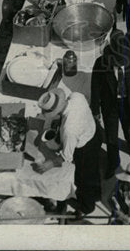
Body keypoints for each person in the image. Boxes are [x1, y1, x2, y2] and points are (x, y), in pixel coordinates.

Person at [90, 29, 130, 178]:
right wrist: (95, 110)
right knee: (111, 136)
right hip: (110, 105)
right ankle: (113, 163)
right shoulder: (101, 63)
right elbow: (95, 87)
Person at [35, 88, 101, 217]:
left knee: (84, 178)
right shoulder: (76, 96)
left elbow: (67, 157)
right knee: (94, 170)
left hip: (85, 148)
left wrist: (51, 164)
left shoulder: (69, 129)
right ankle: (97, 193)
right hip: (94, 131)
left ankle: (86, 207)